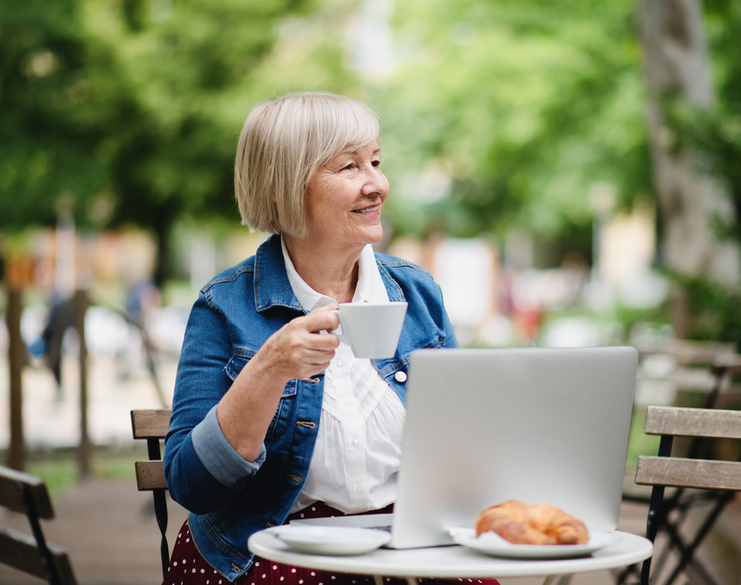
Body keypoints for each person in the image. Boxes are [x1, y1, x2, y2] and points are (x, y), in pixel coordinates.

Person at [162, 92, 498, 585]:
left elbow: (457, 445)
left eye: (377, 162)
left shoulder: (417, 291)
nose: (378, 184)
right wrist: (269, 367)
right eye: (349, 167)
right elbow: (192, 485)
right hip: (274, 550)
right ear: (283, 188)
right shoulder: (224, 307)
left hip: (409, 544)